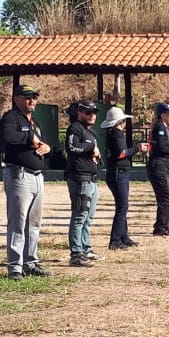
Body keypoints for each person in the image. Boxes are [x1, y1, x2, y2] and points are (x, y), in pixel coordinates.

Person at [1, 83, 50, 281]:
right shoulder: (11, 117)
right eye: (27, 97)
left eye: (34, 97)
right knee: (18, 222)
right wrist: (29, 137)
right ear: (17, 99)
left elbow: (44, 142)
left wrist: (47, 148)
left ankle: (31, 262)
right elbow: (8, 137)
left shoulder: (35, 121)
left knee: (34, 222)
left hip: (37, 175)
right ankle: (15, 266)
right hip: (19, 175)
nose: (32, 101)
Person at [102, 105, 145, 250]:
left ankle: (123, 236)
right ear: (120, 122)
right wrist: (137, 149)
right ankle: (115, 240)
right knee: (122, 207)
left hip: (117, 172)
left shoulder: (112, 133)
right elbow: (122, 153)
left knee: (122, 206)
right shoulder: (116, 134)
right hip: (118, 172)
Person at [65, 100, 102, 267]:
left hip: (91, 178)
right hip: (80, 178)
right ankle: (76, 253)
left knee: (88, 217)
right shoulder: (75, 128)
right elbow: (72, 147)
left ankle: (85, 248)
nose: (92, 115)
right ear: (80, 113)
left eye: (94, 112)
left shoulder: (90, 132)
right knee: (79, 215)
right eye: (88, 112)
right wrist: (90, 148)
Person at [147, 102, 169, 236]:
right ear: (162, 115)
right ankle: (159, 226)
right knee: (166, 197)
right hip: (158, 165)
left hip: (165, 164)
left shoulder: (166, 128)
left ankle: (166, 223)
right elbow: (161, 147)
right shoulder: (159, 127)